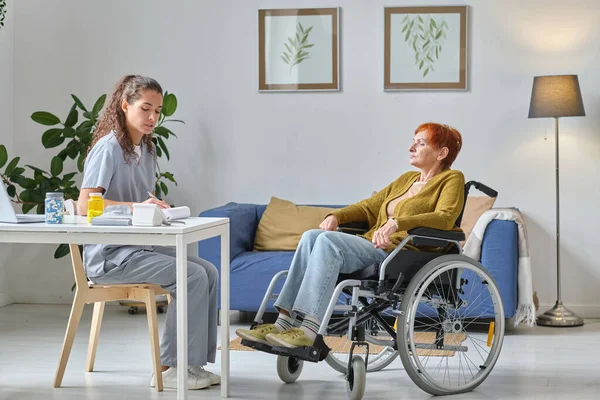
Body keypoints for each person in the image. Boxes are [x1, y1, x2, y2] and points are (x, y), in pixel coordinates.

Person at [236, 122, 465, 349]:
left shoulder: (452, 179)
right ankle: (283, 322)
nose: (411, 148)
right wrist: (337, 216)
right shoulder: (407, 179)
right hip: (373, 246)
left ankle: (308, 329)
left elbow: (445, 217)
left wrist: (398, 223)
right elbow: (368, 207)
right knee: (311, 236)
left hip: (401, 253)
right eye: (413, 141)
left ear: (441, 153)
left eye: (420, 143)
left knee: (326, 241)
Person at [78, 75, 219, 390]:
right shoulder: (109, 147)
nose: (153, 117)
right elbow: (86, 205)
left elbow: (141, 203)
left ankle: (192, 364)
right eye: (145, 109)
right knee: (191, 276)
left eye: (157, 110)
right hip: (110, 255)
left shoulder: (148, 150)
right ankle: (171, 368)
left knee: (207, 271)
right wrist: (133, 207)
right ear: (125, 105)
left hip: (137, 249)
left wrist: (154, 207)